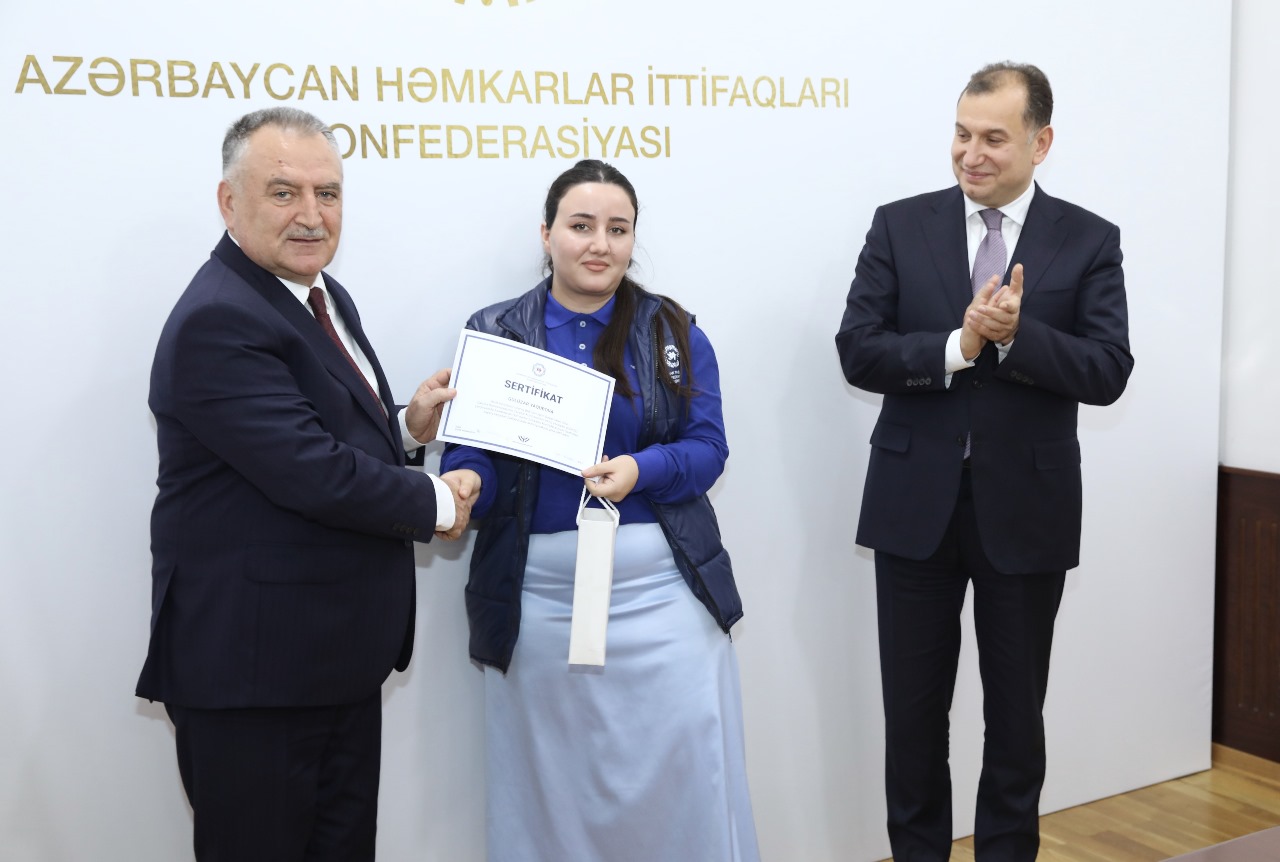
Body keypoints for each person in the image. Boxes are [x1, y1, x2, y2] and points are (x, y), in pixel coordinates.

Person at [136, 107, 474, 862]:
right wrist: (439, 501)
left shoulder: (317, 295)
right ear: (230, 202)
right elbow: (311, 473)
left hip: (330, 662)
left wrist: (407, 428)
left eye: (329, 193)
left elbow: (320, 433)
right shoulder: (218, 319)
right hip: (255, 678)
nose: (313, 216)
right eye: (285, 193)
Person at [835, 63, 1134, 860]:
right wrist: (959, 346)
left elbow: (1108, 370)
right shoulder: (900, 225)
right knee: (913, 721)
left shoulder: (1089, 239)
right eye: (962, 134)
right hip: (912, 510)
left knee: (1014, 724)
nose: (972, 154)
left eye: (994, 138)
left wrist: (1015, 336)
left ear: (1041, 143)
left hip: (1026, 515)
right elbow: (858, 351)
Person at [440, 160, 760, 862]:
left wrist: (641, 470)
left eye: (618, 229)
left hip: (664, 601)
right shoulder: (495, 331)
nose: (599, 244)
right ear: (547, 233)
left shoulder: (673, 330)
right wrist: (463, 484)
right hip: (539, 609)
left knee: (684, 779)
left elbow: (709, 449)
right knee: (552, 791)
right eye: (581, 226)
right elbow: (476, 459)